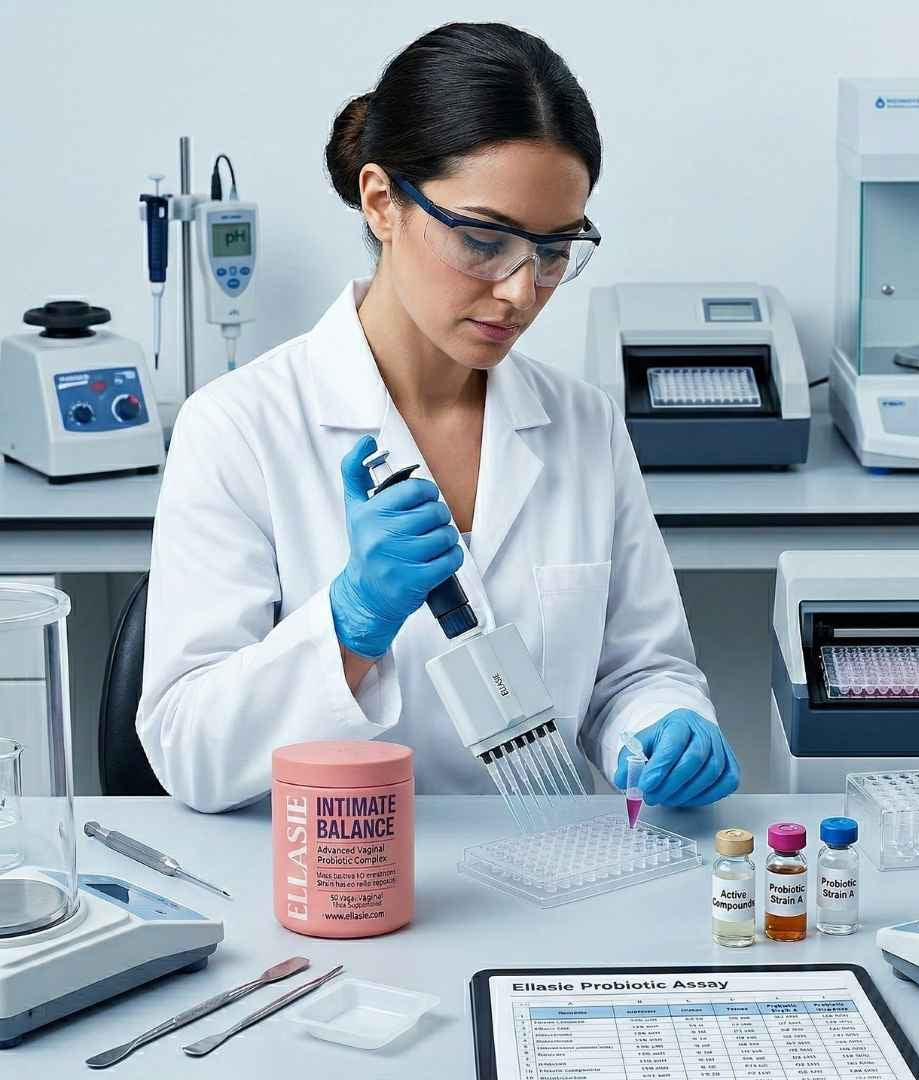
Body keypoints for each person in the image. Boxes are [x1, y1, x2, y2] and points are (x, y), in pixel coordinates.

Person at [136, 21, 740, 813]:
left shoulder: (583, 424)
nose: (521, 290)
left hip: (550, 865)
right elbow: (188, 749)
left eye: (554, 251)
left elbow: (636, 671)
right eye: (484, 240)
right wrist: (351, 624)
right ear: (382, 202)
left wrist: (664, 727)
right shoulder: (239, 428)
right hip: (331, 871)